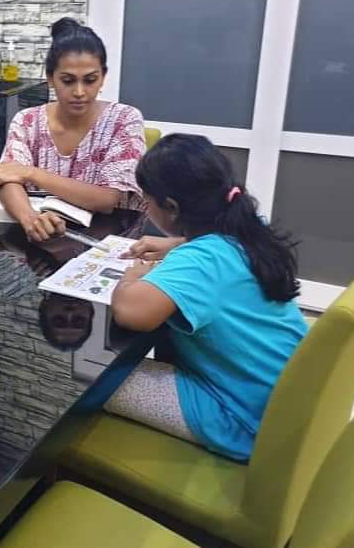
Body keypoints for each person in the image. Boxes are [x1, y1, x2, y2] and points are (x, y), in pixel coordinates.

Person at [106, 134, 307, 461]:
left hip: (243, 420)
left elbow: (131, 313)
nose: (146, 208)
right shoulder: (247, 225)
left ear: (171, 207)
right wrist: (176, 244)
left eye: (147, 201)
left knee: (92, 376)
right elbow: (213, 255)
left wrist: (131, 277)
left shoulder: (202, 260)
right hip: (284, 398)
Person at [0, 18, 145, 242]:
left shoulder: (124, 120)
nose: (79, 92)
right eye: (68, 81)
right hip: (42, 240)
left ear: (103, 78)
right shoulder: (27, 120)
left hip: (107, 243)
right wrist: (30, 219)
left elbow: (107, 199)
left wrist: (31, 173)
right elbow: (7, 178)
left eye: (90, 80)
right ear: (50, 78)